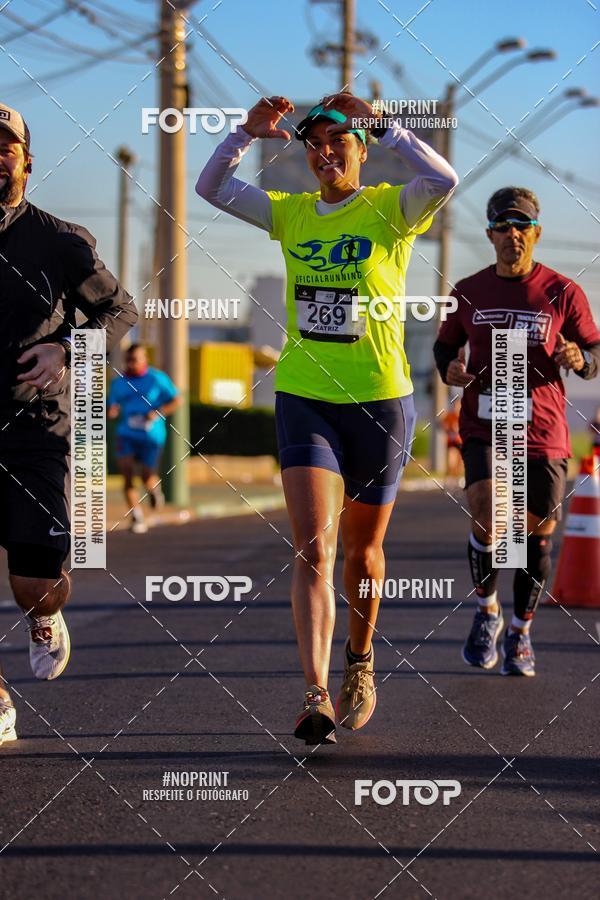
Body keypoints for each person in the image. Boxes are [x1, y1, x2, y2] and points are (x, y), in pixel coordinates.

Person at [197, 92, 458, 743]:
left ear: (360, 150)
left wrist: (385, 124)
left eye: (337, 141)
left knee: (363, 555)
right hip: (306, 394)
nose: (324, 152)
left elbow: (443, 180)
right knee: (314, 548)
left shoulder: (391, 211)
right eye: (313, 143)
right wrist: (244, 132)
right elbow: (211, 187)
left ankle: (360, 661)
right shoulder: (290, 216)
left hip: (381, 400)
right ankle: (315, 691)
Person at [0, 103, 137, 740]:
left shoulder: (60, 239)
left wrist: (67, 347)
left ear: (27, 160)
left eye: (5, 147)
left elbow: (119, 311)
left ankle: (45, 613)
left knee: (35, 582)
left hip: (35, 431)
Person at [434, 187, 600, 677]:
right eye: (503, 227)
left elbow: (594, 352)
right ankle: (487, 610)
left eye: (521, 225)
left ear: (536, 232)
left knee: (534, 535)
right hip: (485, 423)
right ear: (490, 234)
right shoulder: (468, 290)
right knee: (487, 517)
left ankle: (521, 631)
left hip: (543, 431)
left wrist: (581, 360)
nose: (513, 235)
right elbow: (445, 350)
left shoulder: (563, 292)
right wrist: (450, 370)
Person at [108, 344, 181, 533]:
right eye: (128, 360)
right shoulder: (118, 383)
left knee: (147, 476)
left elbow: (177, 399)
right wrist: (112, 410)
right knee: (127, 474)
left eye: (135, 360)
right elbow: (112, 405)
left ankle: (154, 490)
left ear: (145, 359)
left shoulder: (157, 379)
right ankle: (136, 516)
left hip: (152, 436)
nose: (131, 364)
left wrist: (159, 412)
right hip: (127, 434)